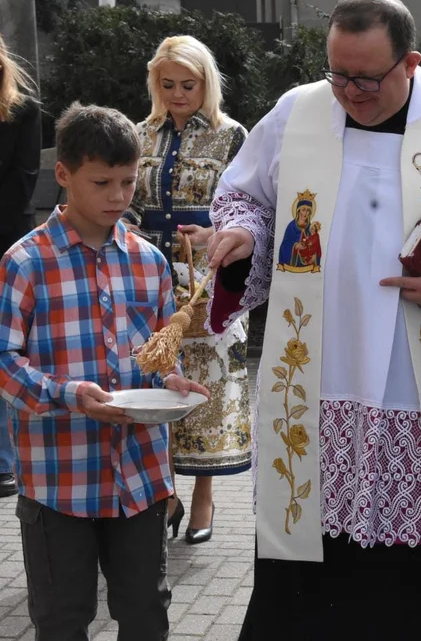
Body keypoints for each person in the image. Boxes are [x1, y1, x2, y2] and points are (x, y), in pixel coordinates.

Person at [204, 0, 421, 640]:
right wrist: (243, 235)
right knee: (303, 582)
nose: (350, 91)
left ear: (409, 62)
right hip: (313, 389)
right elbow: (243, 197)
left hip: (420, 399)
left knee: (412, 599)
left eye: (366, 77)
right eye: (338, 73)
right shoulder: (295, 116)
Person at [0, 102, 208, 640]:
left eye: (128, 181)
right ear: (63, 175)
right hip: (58, 479)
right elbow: (4, 360)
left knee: (146, 610)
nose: (119, 196)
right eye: (103, 183)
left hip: (140, 475)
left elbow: (160, 356)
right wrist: (67, 393)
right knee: (64, 617)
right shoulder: (25, 263)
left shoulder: (149, 261)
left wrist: (172, 381)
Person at [125, 35, 251, 544]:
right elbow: (125, 193)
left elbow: (247, 204)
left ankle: (203, 496)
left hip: (209, 277)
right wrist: (127, 228)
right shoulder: (138, 133)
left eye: (189, 84)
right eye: (168, 84)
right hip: (149, 276)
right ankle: (165, 493)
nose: (178, 94)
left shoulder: (232, 136)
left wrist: (214, 233)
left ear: (206, 83)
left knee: (210, 386)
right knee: (157, 380)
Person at [0, 33, 41, 500]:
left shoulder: (24, 111)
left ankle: (5, 461)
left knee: (8, 353)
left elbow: (23, 182)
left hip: (6, 243)